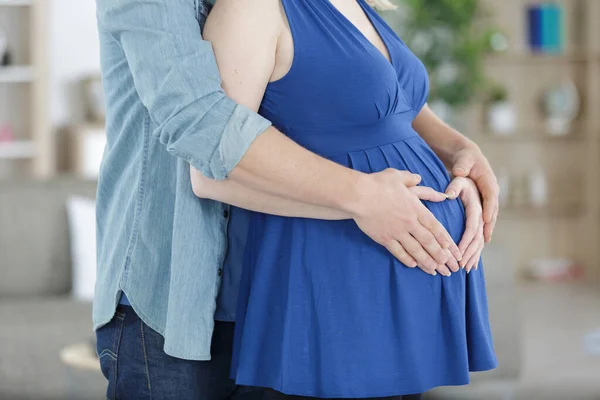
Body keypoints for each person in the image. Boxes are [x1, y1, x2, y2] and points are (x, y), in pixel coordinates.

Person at [93, 0, 499, 398]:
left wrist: (457, 150)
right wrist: (363, 197)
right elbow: (202, 124)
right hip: (178, 288)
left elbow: (383, 98)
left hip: (274, 287)